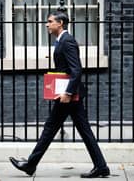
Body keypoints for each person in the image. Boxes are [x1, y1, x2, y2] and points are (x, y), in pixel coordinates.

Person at [10, 10, 110, 178]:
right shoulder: (61, 41)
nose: (47, 24)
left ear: (60, 23)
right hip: (68, 95)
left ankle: (30, 164)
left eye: (50, 21)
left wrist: (68, 92)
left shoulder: (67, 41)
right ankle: (101, 166)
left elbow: (76, 70)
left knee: (52, 128)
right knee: (77, 130)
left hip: (69, 96)